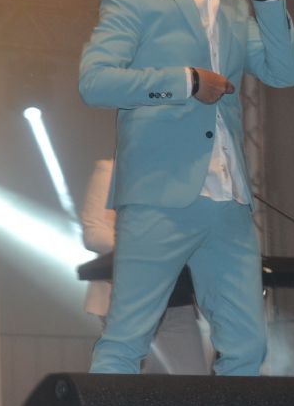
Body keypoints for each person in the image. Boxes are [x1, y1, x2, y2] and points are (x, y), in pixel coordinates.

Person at [79, 0, 294, 375]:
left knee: (246, 347)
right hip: (160, 194)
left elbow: (285, 73)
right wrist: (185, 81)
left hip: (228, 201)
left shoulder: (234, 8)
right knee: (127, 339)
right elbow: (95, 81)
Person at [79, 158, 210, 375]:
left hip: (176, 298)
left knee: (192, 380)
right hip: (126, 297)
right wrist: (152, 248)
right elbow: (93, 234)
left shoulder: (185, 178)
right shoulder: (112, 170)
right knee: (122, 380)